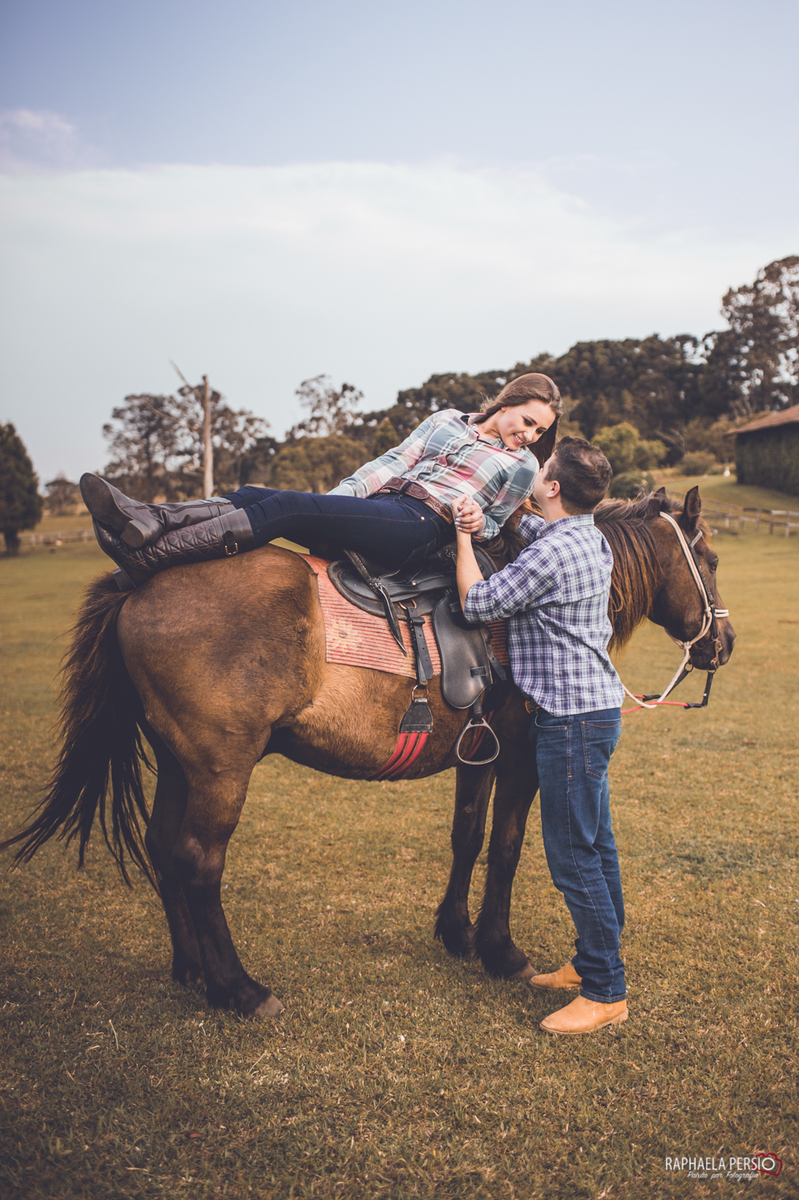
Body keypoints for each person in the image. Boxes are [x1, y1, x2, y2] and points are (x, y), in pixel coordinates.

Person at [452, 437, 627, 1035]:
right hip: (595, 713)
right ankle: (588, 965)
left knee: (573, 855)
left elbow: (479, 603)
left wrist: (459, 535)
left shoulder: (555, 553)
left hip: (570, 722)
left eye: (542, 469)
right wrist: (492, 522)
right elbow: (532, 536)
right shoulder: (584, 538)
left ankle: (605, 990)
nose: (534, 471)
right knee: (597, 848)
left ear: (552, 487)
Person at [81, 373, 562, 589]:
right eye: (526, 420)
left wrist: (478, 522)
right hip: (383, 506)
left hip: (422, 525)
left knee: (288, 506)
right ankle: (150, 521)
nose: (529, 435)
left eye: (539, 431)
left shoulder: (520, 467)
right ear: (508, 401)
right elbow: (392, 463)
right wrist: (330, 505)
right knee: (256, 496)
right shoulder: (447, 419)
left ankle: (149, 553)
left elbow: (498, 526)